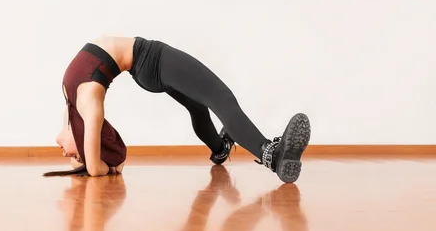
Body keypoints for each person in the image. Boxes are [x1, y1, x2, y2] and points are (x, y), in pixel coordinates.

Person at [46, 36, 311, 183]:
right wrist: (94, 160)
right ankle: (272, 155)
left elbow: (82, 159)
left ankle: (219, 149)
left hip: (144, 69)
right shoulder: (89, 107)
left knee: (198, 109)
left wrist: (83, 156)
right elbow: (93, 168)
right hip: (151, 59)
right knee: (221, 98)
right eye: (71, 153)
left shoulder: (72, 106)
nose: (64, 152)